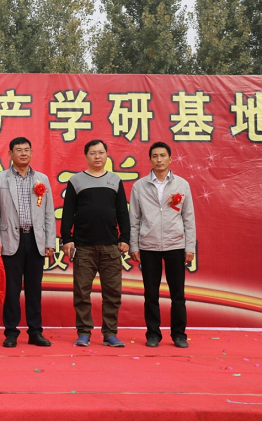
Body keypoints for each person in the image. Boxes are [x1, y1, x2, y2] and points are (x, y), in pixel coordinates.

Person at [61, 139, 130, 347]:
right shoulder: (76, 181)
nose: (97, 156)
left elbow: (122, 213)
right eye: (93, 153)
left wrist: (125, 238)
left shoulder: (115, 180)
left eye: (101, 152)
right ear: (86, 156)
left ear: (107, 155)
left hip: (110, 246)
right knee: (82, 291)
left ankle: (110, 333)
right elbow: (67, 213)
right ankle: (84, 332)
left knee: (113, 292)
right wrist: (67, 238)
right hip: (83, 246)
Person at [129, 142, 196, 349]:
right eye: (155, 156)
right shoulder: (139, 186)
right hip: (148, 246)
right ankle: (153, 334)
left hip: (175, 244)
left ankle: (179, 334)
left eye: (163, 156)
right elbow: (134, 219)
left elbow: (188, 218)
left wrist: (189, 247)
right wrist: (134, 246)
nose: (159, 159)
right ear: (150, 160)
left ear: (170, 159)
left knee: (178, 293)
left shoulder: (181, 185)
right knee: (151, 293)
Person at [0, 137, 56, 348]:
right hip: (11, 239)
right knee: (11, 290)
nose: (23, 153)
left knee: (34, 290)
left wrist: (49, 242)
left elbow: (48, 213)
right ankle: (11, 333)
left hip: (35, 240)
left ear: (31, 152)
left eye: (27, 150)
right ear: (10, 154)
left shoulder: (42, 179)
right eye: (18, 150)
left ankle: (35, 332)